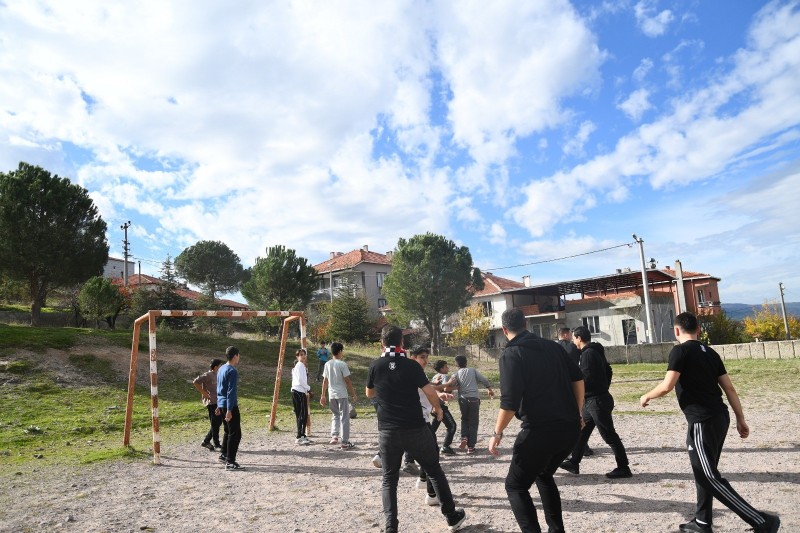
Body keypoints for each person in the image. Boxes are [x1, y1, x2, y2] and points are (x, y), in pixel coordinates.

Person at [640, 312, 780, 533]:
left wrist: (646, 395)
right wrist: (740, 418)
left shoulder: (679, 351)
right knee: (705, 471)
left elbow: (667, 386)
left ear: (676, 330)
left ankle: (762, 521)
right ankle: (702, 522)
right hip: (720, 417)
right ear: (698, 330)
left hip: (702, 421)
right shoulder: (711, 353)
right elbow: (729, 388)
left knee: (707, 475)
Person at [488, 308, 584, 533]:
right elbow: (578, 379)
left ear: (504, 330)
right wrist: (577, 413)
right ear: (527, 325)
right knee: (543, 474)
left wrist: (497, 433)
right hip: (570, 430)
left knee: (515, 486)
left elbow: (509, 402)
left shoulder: (511, 354)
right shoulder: (554, 347)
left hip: (540, 431)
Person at [366, 325, 466, 533]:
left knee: (389, 480)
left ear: (382, 343)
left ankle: (391, 526)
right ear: (402, 342)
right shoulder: (412, 366)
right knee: (434, 470)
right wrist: (438, 408)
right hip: (415, 427)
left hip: (388, 430)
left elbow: (369, 393)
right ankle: (451, 516)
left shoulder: (375, 365)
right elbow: (429, 392)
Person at [559, 326, 632, 479]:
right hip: (593, 400)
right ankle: (574, 463)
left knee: (609, 435)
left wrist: (589, 389)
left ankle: (623, 467)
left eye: (574, 338)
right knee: (581, 432)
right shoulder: (595, 351)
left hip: (596, 401)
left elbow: (585, 379)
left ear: (579, 338)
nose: (573, 341)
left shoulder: (588, 354)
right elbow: (609, 371)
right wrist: (603, 387)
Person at [408, 347, 455, 506]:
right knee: (432, 456)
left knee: (427, 453)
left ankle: (422, 480)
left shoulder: (416, 372)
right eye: (422, 357)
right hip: (418, 420)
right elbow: (428, 391)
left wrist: (440, 394)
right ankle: (432, 494)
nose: (426, 360)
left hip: (420, 419)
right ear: (413, 357)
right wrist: (438, 404)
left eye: (426, 357)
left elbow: (427, 388)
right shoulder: (412, 372)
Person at [449, 354, 494, 454]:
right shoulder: (472, 370)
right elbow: (483, 379)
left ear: (456, 364)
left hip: (462, 399)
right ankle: (471, 447)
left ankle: (464, 437)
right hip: (474, 399)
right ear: (466, 363)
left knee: (464, 419)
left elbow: (449, 385)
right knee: (473, 422)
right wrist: (489, 389)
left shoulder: (455, 374)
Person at [320, 341, 357, 450]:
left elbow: (325, 381)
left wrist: (323, 395)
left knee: (335, 415)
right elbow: (347, 380)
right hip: (342, 394)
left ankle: (334, 436)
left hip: (331, 394)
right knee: (344, 417)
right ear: (340, 351)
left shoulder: (327, 364)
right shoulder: (342, 364)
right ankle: (344, 442)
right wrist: (353, 393)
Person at [217, 346, 243, 470]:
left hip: (222, 403)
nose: (239, 358)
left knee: (228, 431)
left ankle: (224, 454)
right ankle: (230, 461)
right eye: (239, 355)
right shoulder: (232, 371)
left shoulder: (221, 368)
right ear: (235, 356)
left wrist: (219, 405)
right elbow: (230, 391)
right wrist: (229, 410)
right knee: (236, 433)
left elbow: (219, 388)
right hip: (229, 405)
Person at [192, 358, 224, 452]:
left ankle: (206, 441)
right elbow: (195, 382)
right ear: (216, 367)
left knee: (218, 422)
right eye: (220, 365)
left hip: (218, 401)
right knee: (215, 423)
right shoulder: (208, 375)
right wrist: (204, 393)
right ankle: (216, 444)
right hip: (211, 402)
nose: (221, 367)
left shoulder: (218, 374)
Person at [431, 360, 458, 456]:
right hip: (439, 406)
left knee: (433, 427)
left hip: (433, 405)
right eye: (446, 367)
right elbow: (445, 388)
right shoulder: (444, 376)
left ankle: (427, 443)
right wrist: (456, 387)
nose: (448, 368)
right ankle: (446, 447)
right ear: (442, 368)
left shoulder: (435, 376)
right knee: (452, 426)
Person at [291, 348, 312, 445]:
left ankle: (302, 435)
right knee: (302, 414)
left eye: (304, 354)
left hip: (298, 391)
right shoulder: (300, 365)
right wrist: (308, 388)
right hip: (298, 391)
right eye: (301, 355)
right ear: (297, 356)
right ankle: (299, 436)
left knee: (301, 414)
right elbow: (300, 380)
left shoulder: (300, 366)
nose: (303, 356)